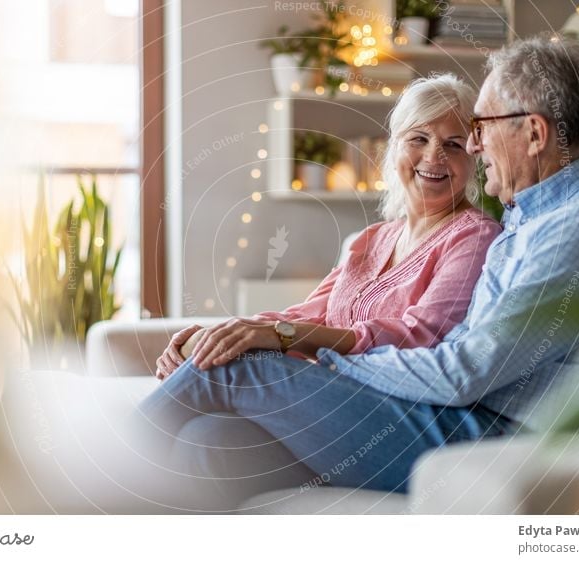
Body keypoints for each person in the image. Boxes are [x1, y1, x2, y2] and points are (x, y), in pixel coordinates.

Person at [136, 35, 579, 512]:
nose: (473, 146)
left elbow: (461, 371)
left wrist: (325, 360)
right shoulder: (530, 219)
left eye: (481, 127)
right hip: (456, 417)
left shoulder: (567, 231)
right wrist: (263, 339)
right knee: (212, 445)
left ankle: (77, 472)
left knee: (239, 368)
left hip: (488, 438)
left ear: (534, 133)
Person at [155, 73, 501, 380]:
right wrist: (224, 331)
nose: (433, 156)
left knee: (216, 370)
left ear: (474, 159)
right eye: (418, 138)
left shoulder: (474, 236)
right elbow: (304, 317)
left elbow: (419, 336)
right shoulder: (373, 238)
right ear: (394, 149)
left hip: (381, 401)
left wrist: (277, 334)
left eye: (453, 144)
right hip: (327, 385)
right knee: (206, 399)